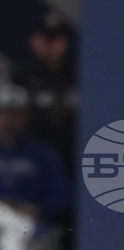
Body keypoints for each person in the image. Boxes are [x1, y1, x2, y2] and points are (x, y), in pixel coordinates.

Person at [0, 85, 70, 250]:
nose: (10, 119)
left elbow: (61, 195)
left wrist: (39, 208)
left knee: (11, 233)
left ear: (25, 117)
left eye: (16, 113)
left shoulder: (41, 154)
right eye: (4, 113)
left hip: (31, 227)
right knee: (10, 228)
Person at [15, 12, 78, 171]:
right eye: (44, 39)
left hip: (73, 151)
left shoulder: (78, 75)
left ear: (65, 42)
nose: (50, 45)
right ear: (33, 41)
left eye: (55, 39)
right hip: (35, 155)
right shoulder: (21, 76)